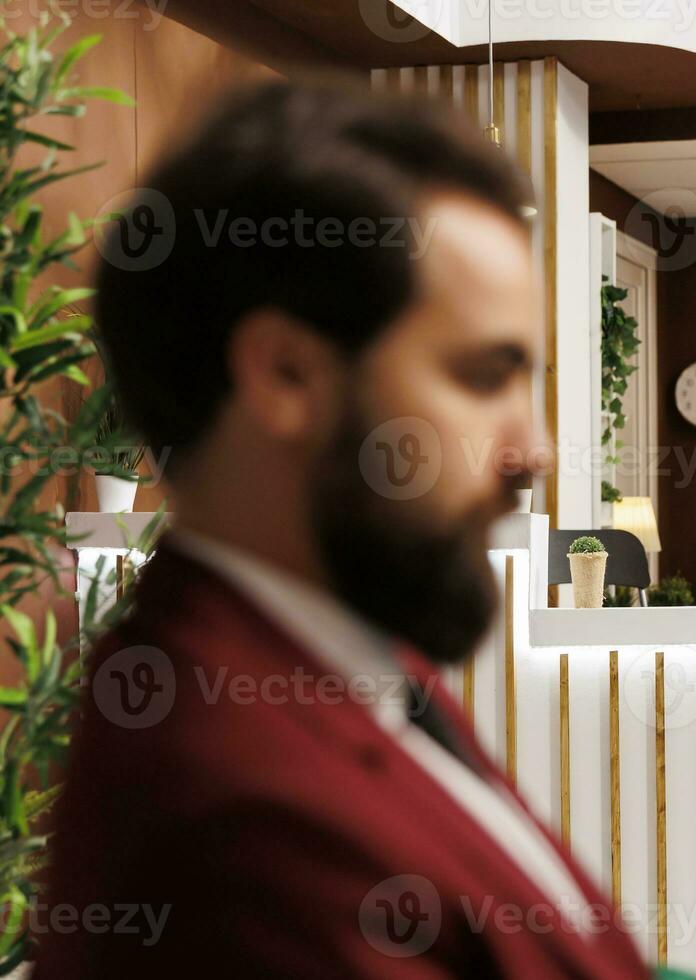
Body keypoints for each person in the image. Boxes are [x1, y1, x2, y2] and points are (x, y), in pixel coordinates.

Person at [35, 79, 646, 979]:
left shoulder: (338, 661)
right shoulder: (242, 819)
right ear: (286, 374)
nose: (535, 450)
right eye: (484, 377)